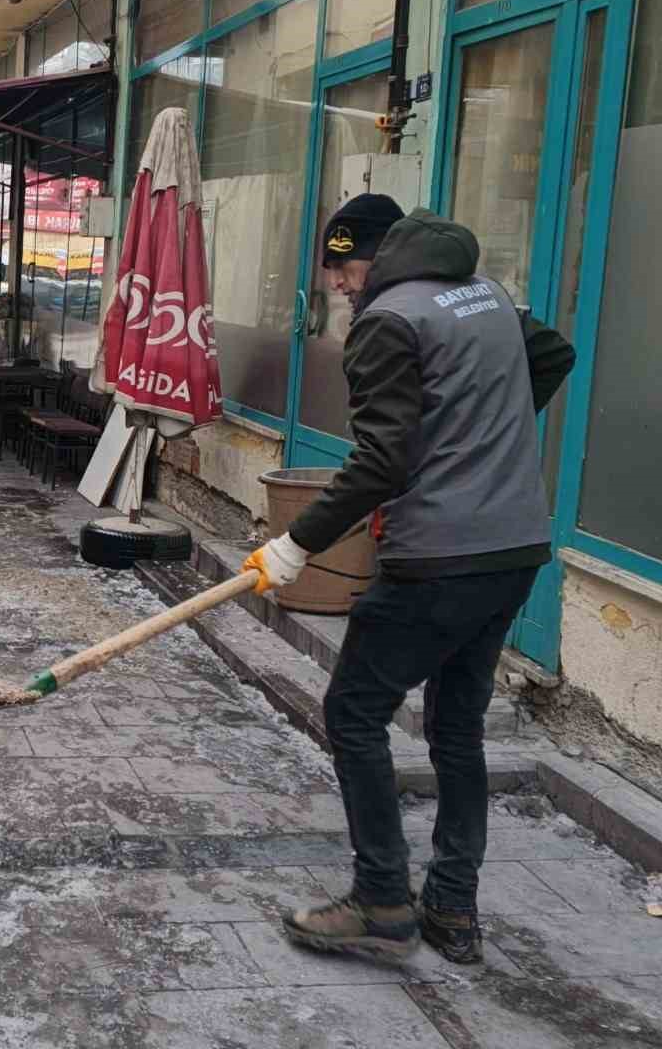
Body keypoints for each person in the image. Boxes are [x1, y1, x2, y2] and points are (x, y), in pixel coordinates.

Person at [241, 195, 575, 963]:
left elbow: (381, 462)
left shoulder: (388, 322)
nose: (339, 285)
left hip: (437, 558)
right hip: (515, 550)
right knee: (456, 728)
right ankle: (452, 909)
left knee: (354, 711)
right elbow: (554, 355)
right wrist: (484, 437)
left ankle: (382, 900)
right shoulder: (488, 296)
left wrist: (296, 543)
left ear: (382, 255)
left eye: (345, 267)